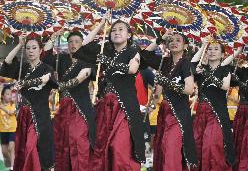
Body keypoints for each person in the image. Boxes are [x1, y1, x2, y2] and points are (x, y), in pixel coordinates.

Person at [74, 19, 145, 171]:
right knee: (102, 149)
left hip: (124, 108)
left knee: (119, 147)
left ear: (129, 35)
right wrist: (101, 24)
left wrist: (108, 61)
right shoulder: (105, 50)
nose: (117, 32)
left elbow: (132, 69)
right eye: (113, 30)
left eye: (121, 29)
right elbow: (83, 46)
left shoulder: (133, 51)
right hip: (105, 107)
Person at [140, 29, 198, 170]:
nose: (173, 42)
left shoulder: (186, 63)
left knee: (172, 149)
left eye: (178, 40)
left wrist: (167, 82)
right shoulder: (164, 62)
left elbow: (189, 89)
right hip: (164, 113)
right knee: (163, 149)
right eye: (171, 40)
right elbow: (144, 55)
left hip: (179, 114)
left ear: (185, 46)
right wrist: (160, 38)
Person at [0, 35, 58, 171]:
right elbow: (7, 63)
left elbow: (45, 79)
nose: (30, 51)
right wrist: (19, 45)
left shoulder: (46, 68)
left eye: (34, 48)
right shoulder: (22, 68)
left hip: (40, 116)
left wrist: (23, 83)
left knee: (33, 148)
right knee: (23, 150)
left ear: (40, 50)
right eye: (28, 48)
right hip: (23, 117)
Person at [43, 30, 96, 171]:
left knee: (79, 141)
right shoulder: (61, 59)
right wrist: (53, 37)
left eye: (77, 42)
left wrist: (59, 85)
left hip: (81, 108)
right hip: (63, 108)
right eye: (70, 41)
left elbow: (81, 78)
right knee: (62, 143)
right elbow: (45, 56)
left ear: (82, 44)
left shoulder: (87, 61)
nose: (73, 44)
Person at [191, 39, 234, 170]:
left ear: (222, 55)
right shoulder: (200, 68)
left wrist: (208, 74)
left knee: (211, 146)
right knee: (197, 145)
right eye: (210, 49)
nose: (212, 51)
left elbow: (225, 86)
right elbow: (191, 64)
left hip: (217, 114)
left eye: (216, 49)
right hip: (200, 114)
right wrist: (203, 45)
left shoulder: (225, 70)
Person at [0, 85, 16, 171]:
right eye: (7, 94)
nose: (9, 96)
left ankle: (13, 167)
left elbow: (11, 112)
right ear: (2, 96)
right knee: (4, 152)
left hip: (12, 130)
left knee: (11, 148)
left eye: (10, 94)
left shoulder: (13, 104)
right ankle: (11, 164)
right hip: (3, 131)